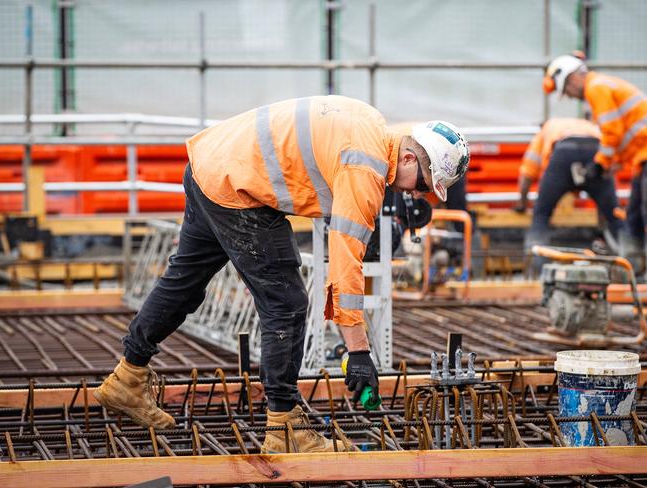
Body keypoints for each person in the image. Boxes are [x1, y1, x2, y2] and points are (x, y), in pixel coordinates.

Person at [93, 95, 469, 453]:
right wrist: (358, 352)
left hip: (211, 165)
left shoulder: (370, 124)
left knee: (185, 281)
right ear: (407, 157)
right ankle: (285, 425)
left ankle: (127, 379)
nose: (420, 196)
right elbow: (344, 264)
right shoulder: (365, 170)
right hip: (237, 187)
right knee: (286, 303)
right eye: (423, 185)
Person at [543, 53, 647, 269]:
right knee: (634, 218)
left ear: (572, 78)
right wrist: (610, 165)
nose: (570, 96)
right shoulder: (602, 85)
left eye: (566, 91)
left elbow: (612, 132)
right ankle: (636, 274)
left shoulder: (596, 88)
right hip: (642, 158)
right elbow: (626, 135)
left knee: (640, 216)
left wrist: (600, 164)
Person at [514, 117, 623, 254]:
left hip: (563, 152)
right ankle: (634, 260)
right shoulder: (589, 126)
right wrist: (606, 205)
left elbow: (529, 169)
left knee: (541, 215)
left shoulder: (548, 128)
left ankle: (536, 260)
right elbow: (610, 166)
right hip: (595, 150)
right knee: (614, 216)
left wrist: (522, 202)